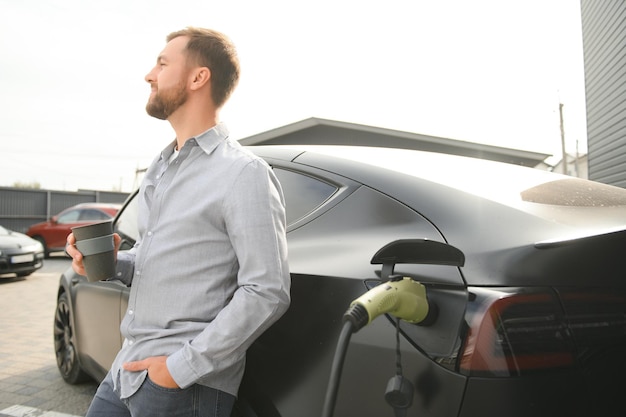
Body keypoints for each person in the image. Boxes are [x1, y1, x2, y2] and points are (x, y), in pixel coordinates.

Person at [66, 27, 291, 417]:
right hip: (125, 368)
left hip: (181, 387)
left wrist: (178, 369)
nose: (149, 74)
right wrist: (110, 264)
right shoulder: (161, 168)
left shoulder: (243, 173)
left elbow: (266, 290)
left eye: (162, 63)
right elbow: (161, 264)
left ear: (198, 77)